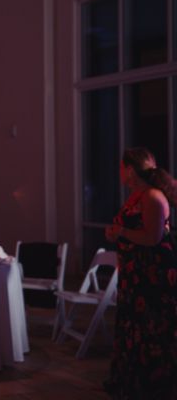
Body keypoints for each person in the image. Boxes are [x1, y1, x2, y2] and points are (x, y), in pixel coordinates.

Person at [104, 147, 177, 399]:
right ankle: (131, 381)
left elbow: (152, 237)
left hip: (152, 277)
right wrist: (116, 232)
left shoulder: (152, 197)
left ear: (130, 170)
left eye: (122, 167)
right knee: (134, 326)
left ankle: (152, 385)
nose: (119, 172)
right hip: (135, 275)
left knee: (151, 328)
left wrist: (121, 233)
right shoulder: (136, 195)